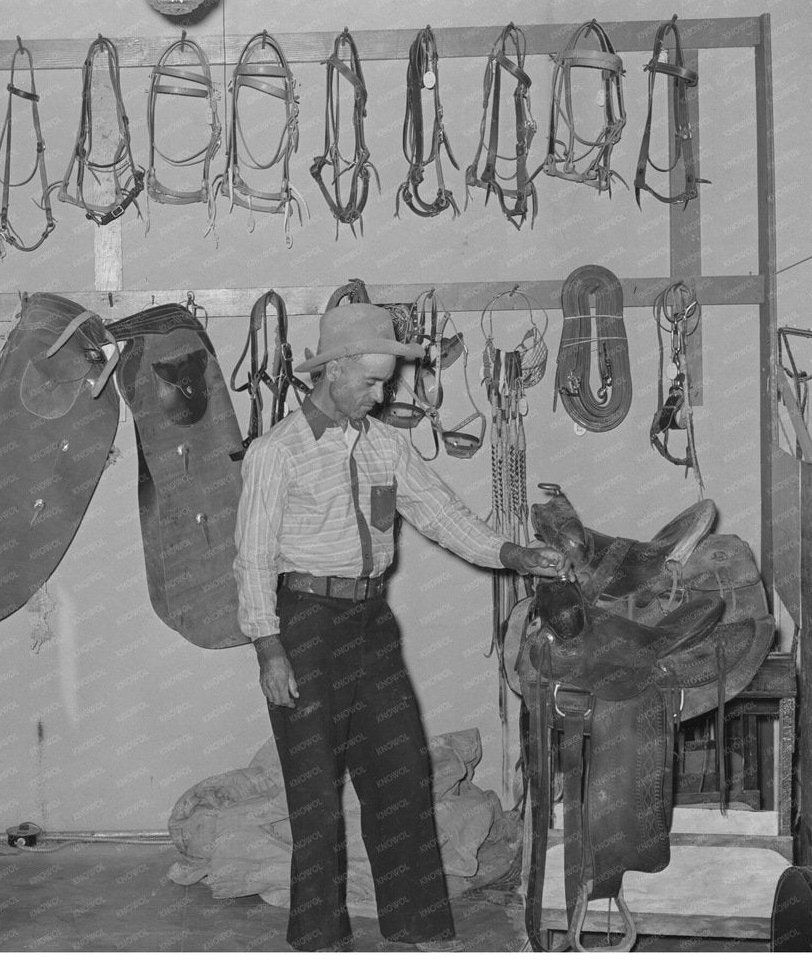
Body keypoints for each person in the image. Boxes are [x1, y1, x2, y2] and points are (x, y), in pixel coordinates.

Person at [232, 303, 566, 952]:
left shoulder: (387, 445)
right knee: (315, 799)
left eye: (386, 382)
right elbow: (252, 559)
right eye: (370, 382)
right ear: (331, 372)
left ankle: (413, 929)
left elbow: (442, 513)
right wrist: (268, 649)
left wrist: (511, 553)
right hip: (303, 625)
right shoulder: (278, 453)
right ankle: (321, 943)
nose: (382, 395)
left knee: (402, 777)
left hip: (371, 624)